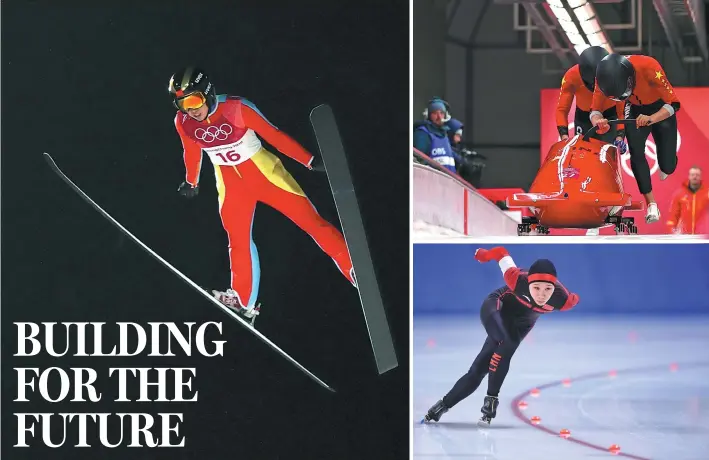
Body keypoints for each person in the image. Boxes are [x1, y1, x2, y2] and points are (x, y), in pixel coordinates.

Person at [168, 67, 356, 321]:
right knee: (237, 240)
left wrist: (309, 161)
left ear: (208, 93)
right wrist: (192, 182)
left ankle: (352, 268)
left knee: (312, 223)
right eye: (183, 104)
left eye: (194, 100)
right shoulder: (184, 123)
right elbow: (191, 152)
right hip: (231, 186)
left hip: (266, 176)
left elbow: (274, 135)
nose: (191, 110)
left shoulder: (237, 109)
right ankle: (243, 300)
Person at [423, 246, 579, 426]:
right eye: (536, 288)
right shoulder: (516, 278)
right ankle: (489, 401)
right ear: (528, 282)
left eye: (547, 290)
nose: (542, 295)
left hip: (521, 325)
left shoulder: (564, 300)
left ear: (554, 288)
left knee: (480, 369)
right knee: (504, 342)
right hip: (497, 307)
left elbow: (575, 298)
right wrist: (484, 255)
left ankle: (443, 406)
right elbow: (501, 252)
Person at [590, 53, 681, 224]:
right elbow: (595, 111)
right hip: (634, 109)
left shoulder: (650, 67)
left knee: (667, 166)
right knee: (636, 152)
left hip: (661, 107)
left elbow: (674, 103)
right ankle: (651, 204)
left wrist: (652, 118)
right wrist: (599, 121)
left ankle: (667, 163)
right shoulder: (601, 78)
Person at [556, 46, 625, 148]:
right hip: (584, 119)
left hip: (609, 117)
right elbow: (562, 109)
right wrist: (564, 138)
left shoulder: (616, 75)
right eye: (593, 84)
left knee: (608, 154)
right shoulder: (571, 77)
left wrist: (620, 137)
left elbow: (621, 110)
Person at [413, 98, 457, 173]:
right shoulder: (423, 133)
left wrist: (465, 162)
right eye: (435, 113)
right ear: (429, 115)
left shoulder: (444, 133)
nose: (439, 117)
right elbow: (419, 159)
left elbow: (450, 153)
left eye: (441, 113)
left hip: (448, 181)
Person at [667, 166, 709, 234]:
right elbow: (673, 215)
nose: (695, 177)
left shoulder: (707, 193)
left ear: (701, 177)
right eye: (692, 175)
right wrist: (672, 231)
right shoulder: (679, 194)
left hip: (703, 236)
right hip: (684, 236)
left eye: (697, 175)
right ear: (689, 176)